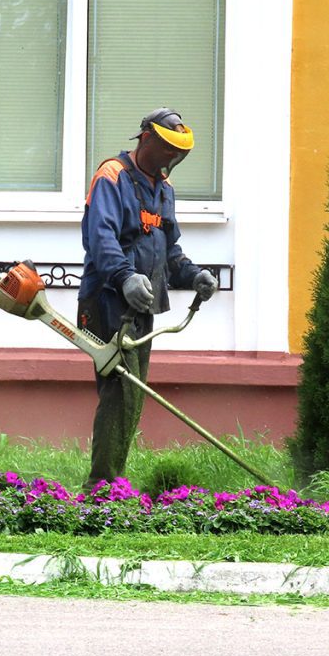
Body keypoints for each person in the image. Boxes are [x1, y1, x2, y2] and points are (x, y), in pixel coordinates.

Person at [77, 107, 217, 488]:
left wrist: (194, 275)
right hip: (107, 301)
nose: (172, 156)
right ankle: (101, 488)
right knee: (120, 394)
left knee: (132, 399)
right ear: (147, 139)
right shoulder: (112, 177)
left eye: (178, 151)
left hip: (142, 306)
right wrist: (125, 278)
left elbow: (170, 252)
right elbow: (101, 240)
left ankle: (112, 483)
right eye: (167, 147)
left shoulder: (163, 189)